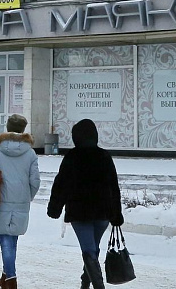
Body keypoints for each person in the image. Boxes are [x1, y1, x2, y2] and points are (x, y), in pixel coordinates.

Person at [48, 119, 123, 289]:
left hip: (79, 212)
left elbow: (61, 184)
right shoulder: (104, 156)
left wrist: (55, 208)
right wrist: (116, 213)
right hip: (103, 212)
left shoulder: (72, 157)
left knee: (90, 250)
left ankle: (96, 286)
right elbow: (114, 187)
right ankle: (85, 283)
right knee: (92, 249)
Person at [0, 114, 39, 289]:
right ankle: (6, 276)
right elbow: (35, 181)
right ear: (23, 129)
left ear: (7, 127)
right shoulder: (30, 153)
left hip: (0, 200)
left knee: (5, 241)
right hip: (21, 201)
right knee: (12, 241)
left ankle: (10, 278)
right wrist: (27, 196)